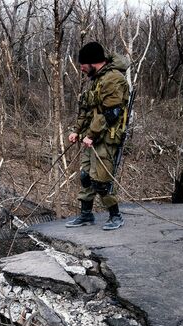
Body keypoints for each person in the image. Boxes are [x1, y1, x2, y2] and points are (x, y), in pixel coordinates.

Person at [66, 41, 130, 231]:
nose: (81, 69)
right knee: (86, 176)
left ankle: (115, 216)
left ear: (93, 62)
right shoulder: (96, 79)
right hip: (91, 137)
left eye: (83, 65)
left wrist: (92, 135)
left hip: (106, 138)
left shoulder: (113, 79)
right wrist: (77, 130)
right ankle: (86, 215)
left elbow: (111, 113)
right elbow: (87, 108)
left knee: (101, 180)